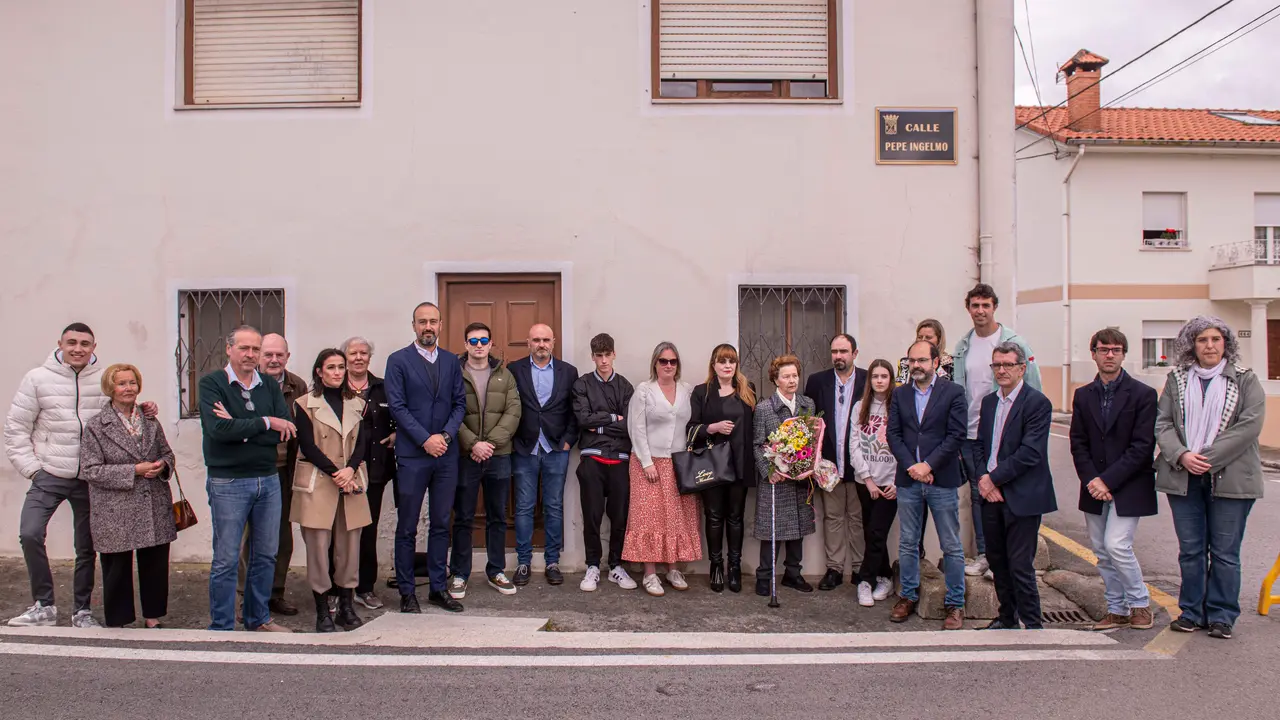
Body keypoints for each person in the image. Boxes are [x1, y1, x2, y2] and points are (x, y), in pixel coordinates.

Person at [1156, 316, 1265, 640]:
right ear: (1192, 345)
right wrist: (1183, 456)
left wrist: (1207, 458)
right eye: (1202, 340)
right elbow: (1163, 424)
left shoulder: (1246, 380)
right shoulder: (1176, 379)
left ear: (1226, 344)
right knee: (1190, 550)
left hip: (1230, 480)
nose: (1210, 346)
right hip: (1183, 476)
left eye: (1216, 339)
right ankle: (1191, 612)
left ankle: (1221, 615)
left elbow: (1249, 426)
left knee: (1224, 552)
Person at [4, 323, 113, 628]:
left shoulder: (103, 380)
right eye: (72, 342)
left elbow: (116, 417)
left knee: (87, 546)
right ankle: (44, 606)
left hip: (89, 477)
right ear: (60, 344)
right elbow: (16, 429)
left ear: (94, 346)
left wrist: (143, 408)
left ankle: (82, 611)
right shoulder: (38, 378)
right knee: (30, 533)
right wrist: (32, 469)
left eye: (85, 343)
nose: (78, 348)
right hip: (48, 474)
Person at [199, 325, 295, 632]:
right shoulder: (212, 384)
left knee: (266, 554)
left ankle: (258, 618)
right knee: (226, 558)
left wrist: (241, 427)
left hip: (267, 479)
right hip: (228, 481)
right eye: (245, 348)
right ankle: (223, 625)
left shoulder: (268, 385)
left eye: (256, 349)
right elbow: (217, 431)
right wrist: (265, 421)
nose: (251, 355)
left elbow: (285, 433)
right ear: (229, 349)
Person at [1069, 328, 1158, 632]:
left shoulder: (1144, 395)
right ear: (1093, 353)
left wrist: (1107, 481)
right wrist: (1093, 480)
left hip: (1129, 484)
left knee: (1117, 545)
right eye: (1103, 349)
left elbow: (1142, 446)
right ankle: (1116, 609)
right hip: (1093, 485)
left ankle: (1140, 604)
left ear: (1123, 355)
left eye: (1116, 350)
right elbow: (1078, 442)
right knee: (1102, 551)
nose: (1109, 355)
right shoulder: (1083, 395)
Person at [951, 284, 1041, 579]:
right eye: (975, 305)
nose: (980, 311)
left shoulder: (1014, 343)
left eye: (985, 305)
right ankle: (985, 555)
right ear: (968, 309)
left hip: (1003, 430)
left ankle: (1005, 557)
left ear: (994, 307)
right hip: (971, 432)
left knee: (1004, 490)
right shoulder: (963, 346)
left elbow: (1033, 388)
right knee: (980, 493)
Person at [78, 364, 176, 629]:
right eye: (121, 383)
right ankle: (118, 619)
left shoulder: (150, 420)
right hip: (115, 507)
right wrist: (134, 470)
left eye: (132, 383)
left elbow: (167, 453)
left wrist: (162, 466)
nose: (128, 388)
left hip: (151, 500)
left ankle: (153, 616)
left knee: (154, 562)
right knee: (117, 566)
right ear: (111, 388)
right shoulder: (96, 426)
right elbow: (90, 469)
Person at [385, 302, 467, 614]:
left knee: (441, 523)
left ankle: (437, 588)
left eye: (433, 321)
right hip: (413, 455)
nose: (428, 327)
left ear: (441, 325)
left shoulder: (450, 361)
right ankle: (407, 592)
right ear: (414, 326)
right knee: (407, 525)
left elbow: (459, 403)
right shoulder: (398, 361)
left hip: (446, 455)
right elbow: (397, 406)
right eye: (422, 322)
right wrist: (425, 439)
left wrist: (445, 437)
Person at [288, 349, 372, 633]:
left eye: (340, 367)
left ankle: (346, 606)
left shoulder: (358, 404)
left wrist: (350, 469)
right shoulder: (305, 404)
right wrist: (336, 472)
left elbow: (363, 441)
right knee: (318, 549)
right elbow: (307, 446)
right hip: (319, 481)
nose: (337, 372)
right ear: (319, 372)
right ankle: (323, 608)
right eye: (331, 368)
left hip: (351, 480)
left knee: (350, 547)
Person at [974, 342, 1057, 630]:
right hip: (991, 495)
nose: (1001, 370)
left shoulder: (1037, 403)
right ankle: (1006, 618)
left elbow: (1030, 452)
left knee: (1020, 565)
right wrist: (984, 479)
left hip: (1022, 496)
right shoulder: (989, 402)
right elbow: (980, 447)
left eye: (1008, 365)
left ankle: (1032, 623)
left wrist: (992, 478)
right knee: (997, 562)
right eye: (997, 365)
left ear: (1022, 368)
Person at [886, 340, 968, 630]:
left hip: (942, 480)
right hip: (909, 480)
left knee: (951, 545)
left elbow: (956, 435)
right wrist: (913, 467)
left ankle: (955, 604)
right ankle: (907, 596)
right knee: (908, 542)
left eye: (922, 360)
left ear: (935, 362)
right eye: (912, 361)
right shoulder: (901, 394)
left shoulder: (954, 393)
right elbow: (893, 434)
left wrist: (928, 465)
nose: (916, 366)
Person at [235, 332, 309, 618]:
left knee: (281, 537)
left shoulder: (297, 385)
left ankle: (274, 593)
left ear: (287, 357)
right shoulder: (243, 384)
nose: (274, 359)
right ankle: (246, 596)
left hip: (283, 470)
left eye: (280, 355)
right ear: (258, 357)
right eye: (268, 354)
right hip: (249, 469)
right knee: (249, 537)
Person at [449, 322, 522, 599]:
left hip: (498, 456)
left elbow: (514, 412)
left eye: (483, 340)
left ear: (491, 344)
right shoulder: (454, 374)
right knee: (463, 517)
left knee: (497, 516)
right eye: (473, 340)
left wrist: (489, 444)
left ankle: (496, 570)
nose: (478, 345)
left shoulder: (504, 375)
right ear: (466, 344)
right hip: (465, 456)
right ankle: (459, 573)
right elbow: (449, 413)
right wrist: (472, 444)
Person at [623, 342, 702, 597]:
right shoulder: (644, 391)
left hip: (678, 463)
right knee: (648, 517)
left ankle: (673, 568)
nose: (668, 365)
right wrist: (646, 462)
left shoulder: (687, 391)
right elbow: (636, 428)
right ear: (655, 363)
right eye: (663, 361)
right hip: (648, 463)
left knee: (675, 517)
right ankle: (649, 573)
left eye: (673, 361)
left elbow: (694, 424)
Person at [508, 323, 579, 587]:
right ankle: (523, 562)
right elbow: (507, 406)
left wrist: (569, 441)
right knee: (524, 507)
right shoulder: (514, 370)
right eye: (536, 340)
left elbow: (575, 410)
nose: (541, 344)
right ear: (528, 343)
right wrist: (512, 440)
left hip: (556, 448)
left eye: (546, 340)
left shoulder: (568, 372)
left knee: (554, 506)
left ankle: (552, 562)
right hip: (524, 447)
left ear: (554, 342)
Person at [688, 343, 756, 594]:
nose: (727, 366)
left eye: (732, 361)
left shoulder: (747, 390)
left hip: (739, 463)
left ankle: (734, 567)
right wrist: (713, 428)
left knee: (736, 518)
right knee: (714, 517)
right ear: (713, 365)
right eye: (722, 361)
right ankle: (716, 566)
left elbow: (753, 427)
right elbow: (691, 428)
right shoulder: (702, 392)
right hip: (712, 465)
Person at [571, 333, 637, 592]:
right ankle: (592, 566)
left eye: (607, 355)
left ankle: (616, 565)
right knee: (592, 516)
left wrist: (600, 425)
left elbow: (629, 425)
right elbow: (583, 420)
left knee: (619, 516)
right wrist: (612, 418)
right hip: (592, 459)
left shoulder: (625, 386)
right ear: (593, 357)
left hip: (620, 459)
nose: (603, 360)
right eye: (598, 356)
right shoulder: (582, 385)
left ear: (614, 354)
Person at [804, 333, 868, 591]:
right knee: (832, 517)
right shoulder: (817, 381)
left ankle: (860, 569)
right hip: (829, 464)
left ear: (855, 353)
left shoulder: (867, 380)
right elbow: (809, 423)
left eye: (843, 351)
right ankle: (834, 569)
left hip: (859, 463)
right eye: (834, 351)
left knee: (857, 516)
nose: (838, 356)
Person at [752, 354, 817, 597]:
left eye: (795, 375)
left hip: (800, 478)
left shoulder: (807, 404)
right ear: (775, 380)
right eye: (786, 376)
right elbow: (758, 444)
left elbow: (812, 439)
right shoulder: (764, 409)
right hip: (775, 478)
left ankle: (793, 574)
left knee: (798, 527)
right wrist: (769, 471)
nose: (792, 380)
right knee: (772, 528)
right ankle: (764, 575)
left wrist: (808, 465)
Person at [341, 336, 396, 610]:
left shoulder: (383, 388)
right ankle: (337, 590)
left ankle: (365, 587)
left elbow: (399, 415)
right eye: (353, 353)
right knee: (338, 531)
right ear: (345, 357)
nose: (359, 357)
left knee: (368, 529)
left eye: (364, 353)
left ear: (370, 358)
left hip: (373, 472)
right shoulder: (336, 387)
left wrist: (397, 432)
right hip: (341, 473)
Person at [848, 359, 898, 607]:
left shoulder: (898, 406)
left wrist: (898, 481)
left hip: (890, 482)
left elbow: (907, 444)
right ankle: (885, 576)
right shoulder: (860, 407)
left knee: (877, 532)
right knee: (871, 532)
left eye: (884, 376)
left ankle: (864, 581)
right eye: (875, 376)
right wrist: (867, 479)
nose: (879, 380)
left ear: (891, 379)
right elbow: (854, 445)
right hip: (865, 481)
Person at [896, 319, 955, 383]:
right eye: (920, 337)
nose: (923, 340)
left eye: (928, 337)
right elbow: (900, 387)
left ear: (939, 340)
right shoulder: (905, 363)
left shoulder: (951, 364)